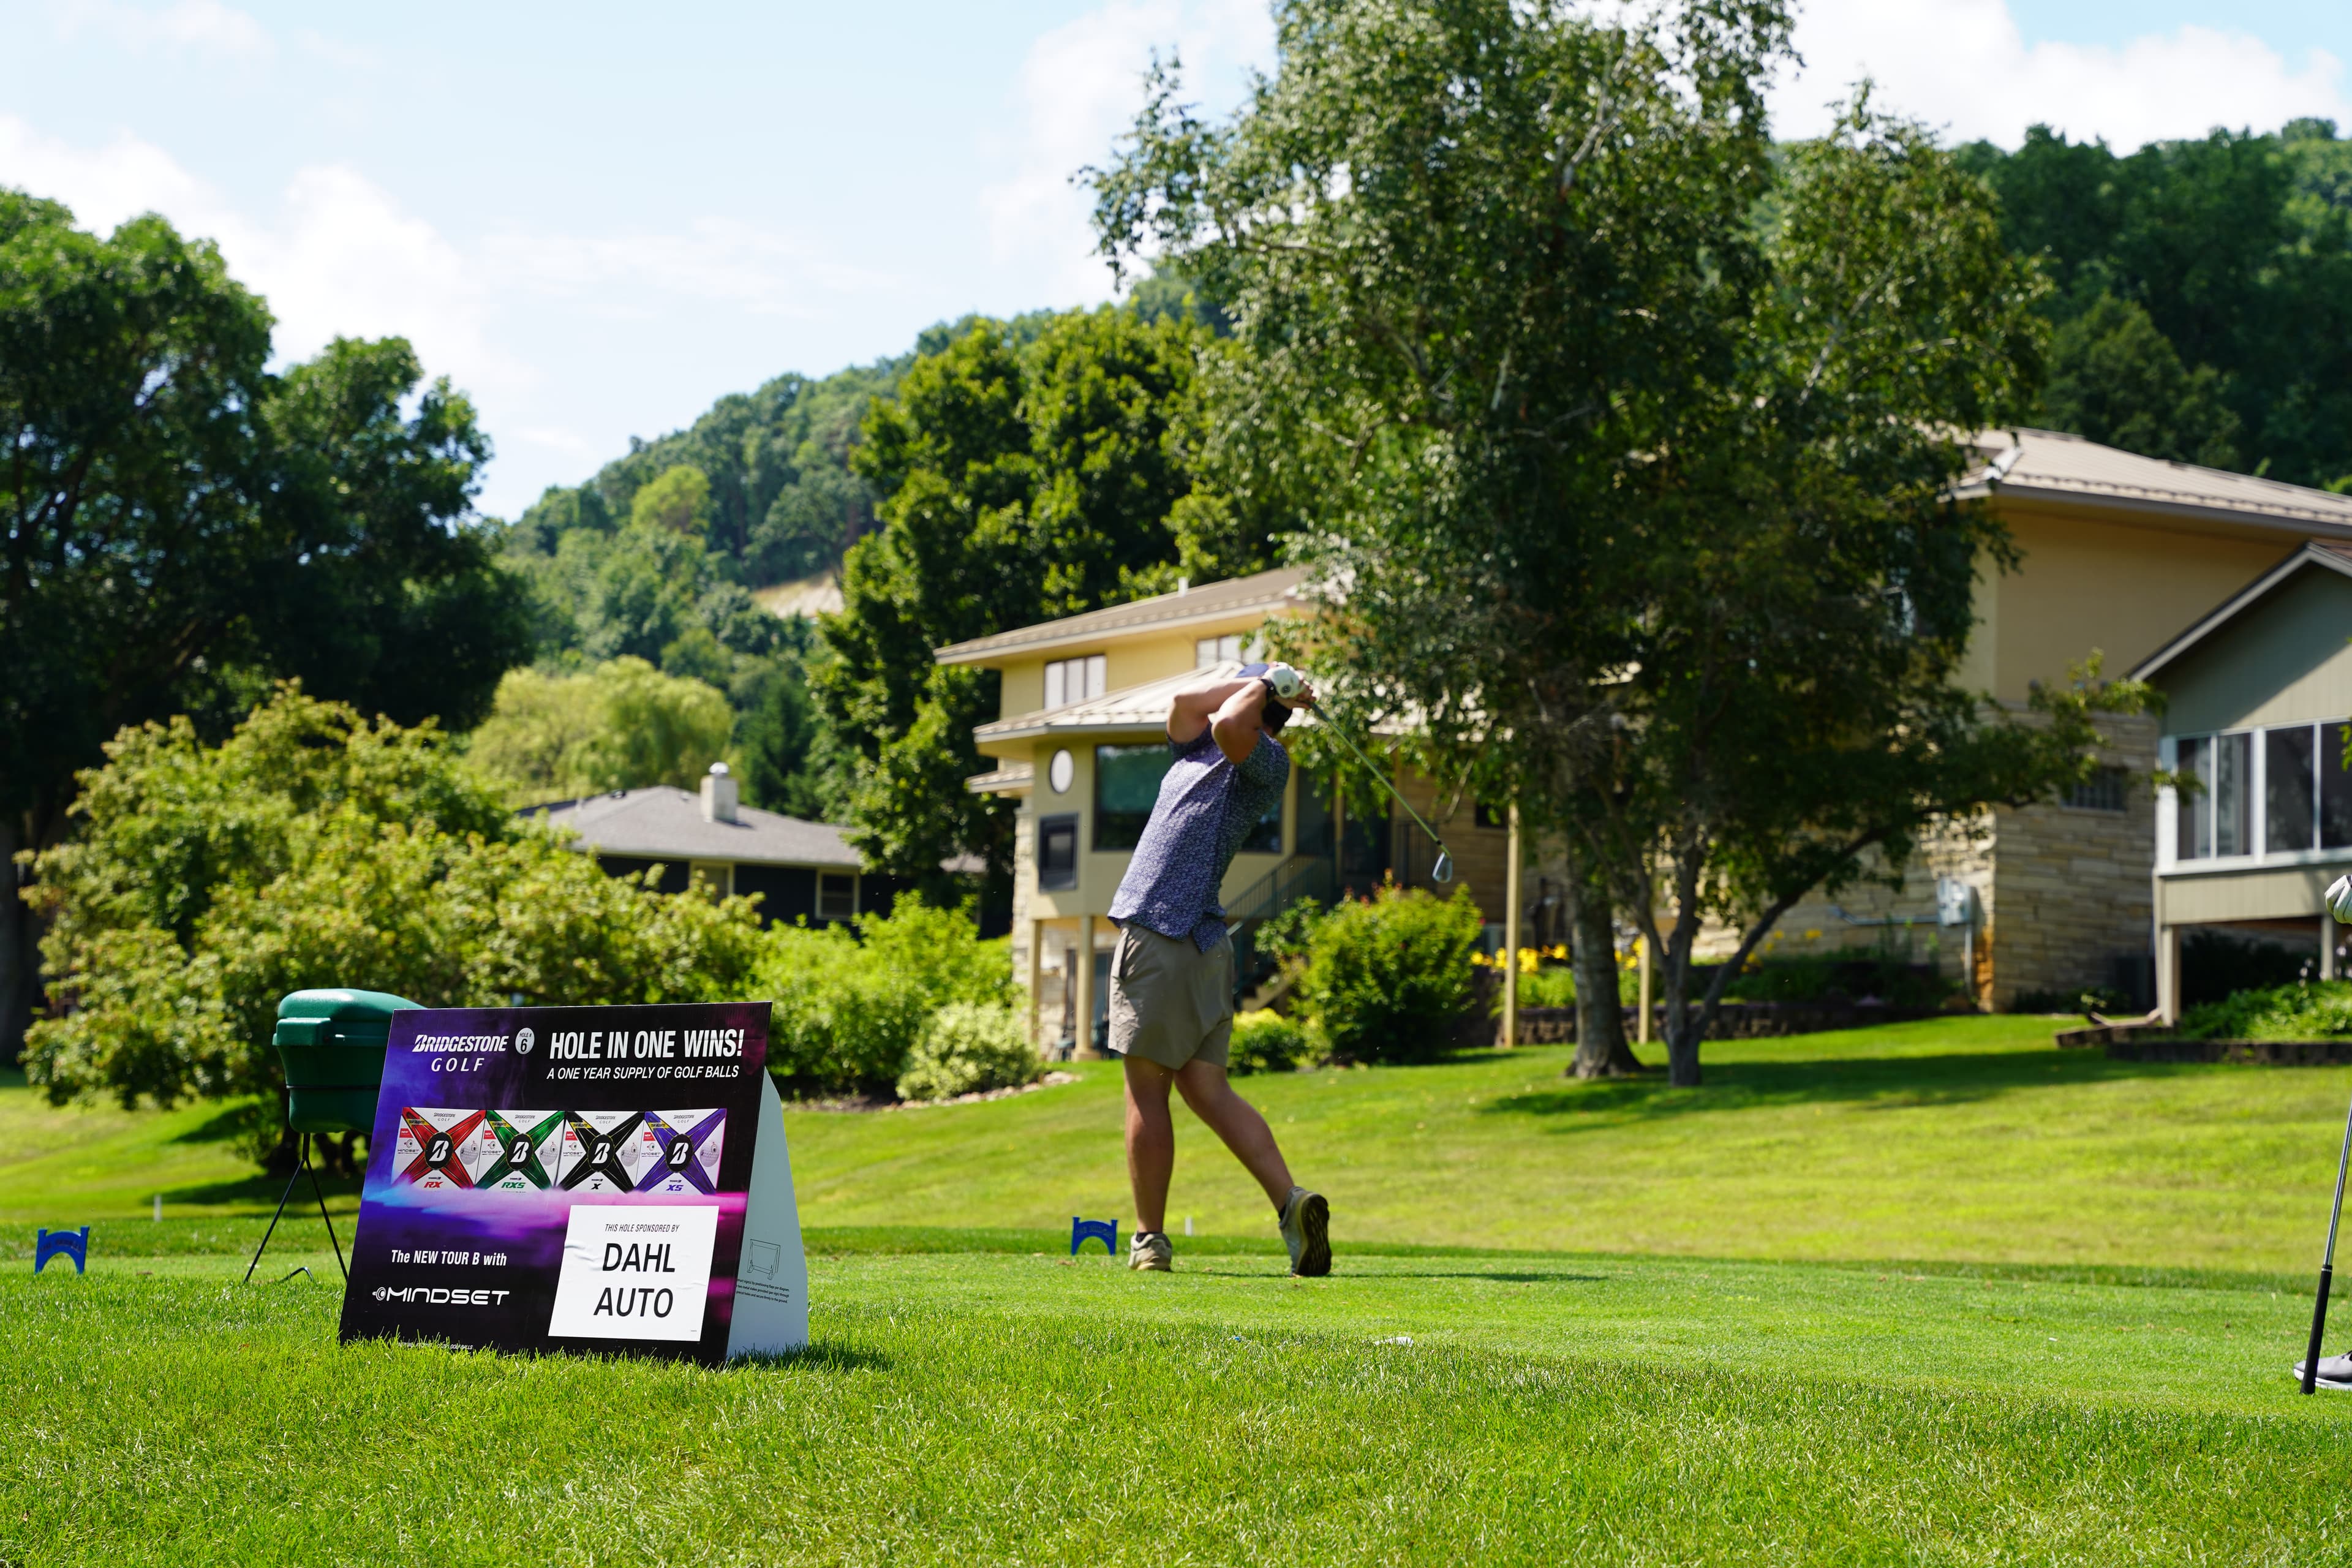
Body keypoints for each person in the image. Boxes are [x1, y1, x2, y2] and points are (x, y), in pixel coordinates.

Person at [1105, 661, 1330, 1276]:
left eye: (1246, 683)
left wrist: (1266, 686)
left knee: (1146, 1089)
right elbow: (1184, 699)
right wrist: (1263, 677)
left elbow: (1233, 718)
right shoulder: (1196, 743)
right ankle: (1293, 1204)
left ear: (1262, 705)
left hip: (1162, 932)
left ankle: (1149, 1240)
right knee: (1207, 1089)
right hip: (1202, 942)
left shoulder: (1265, 759)